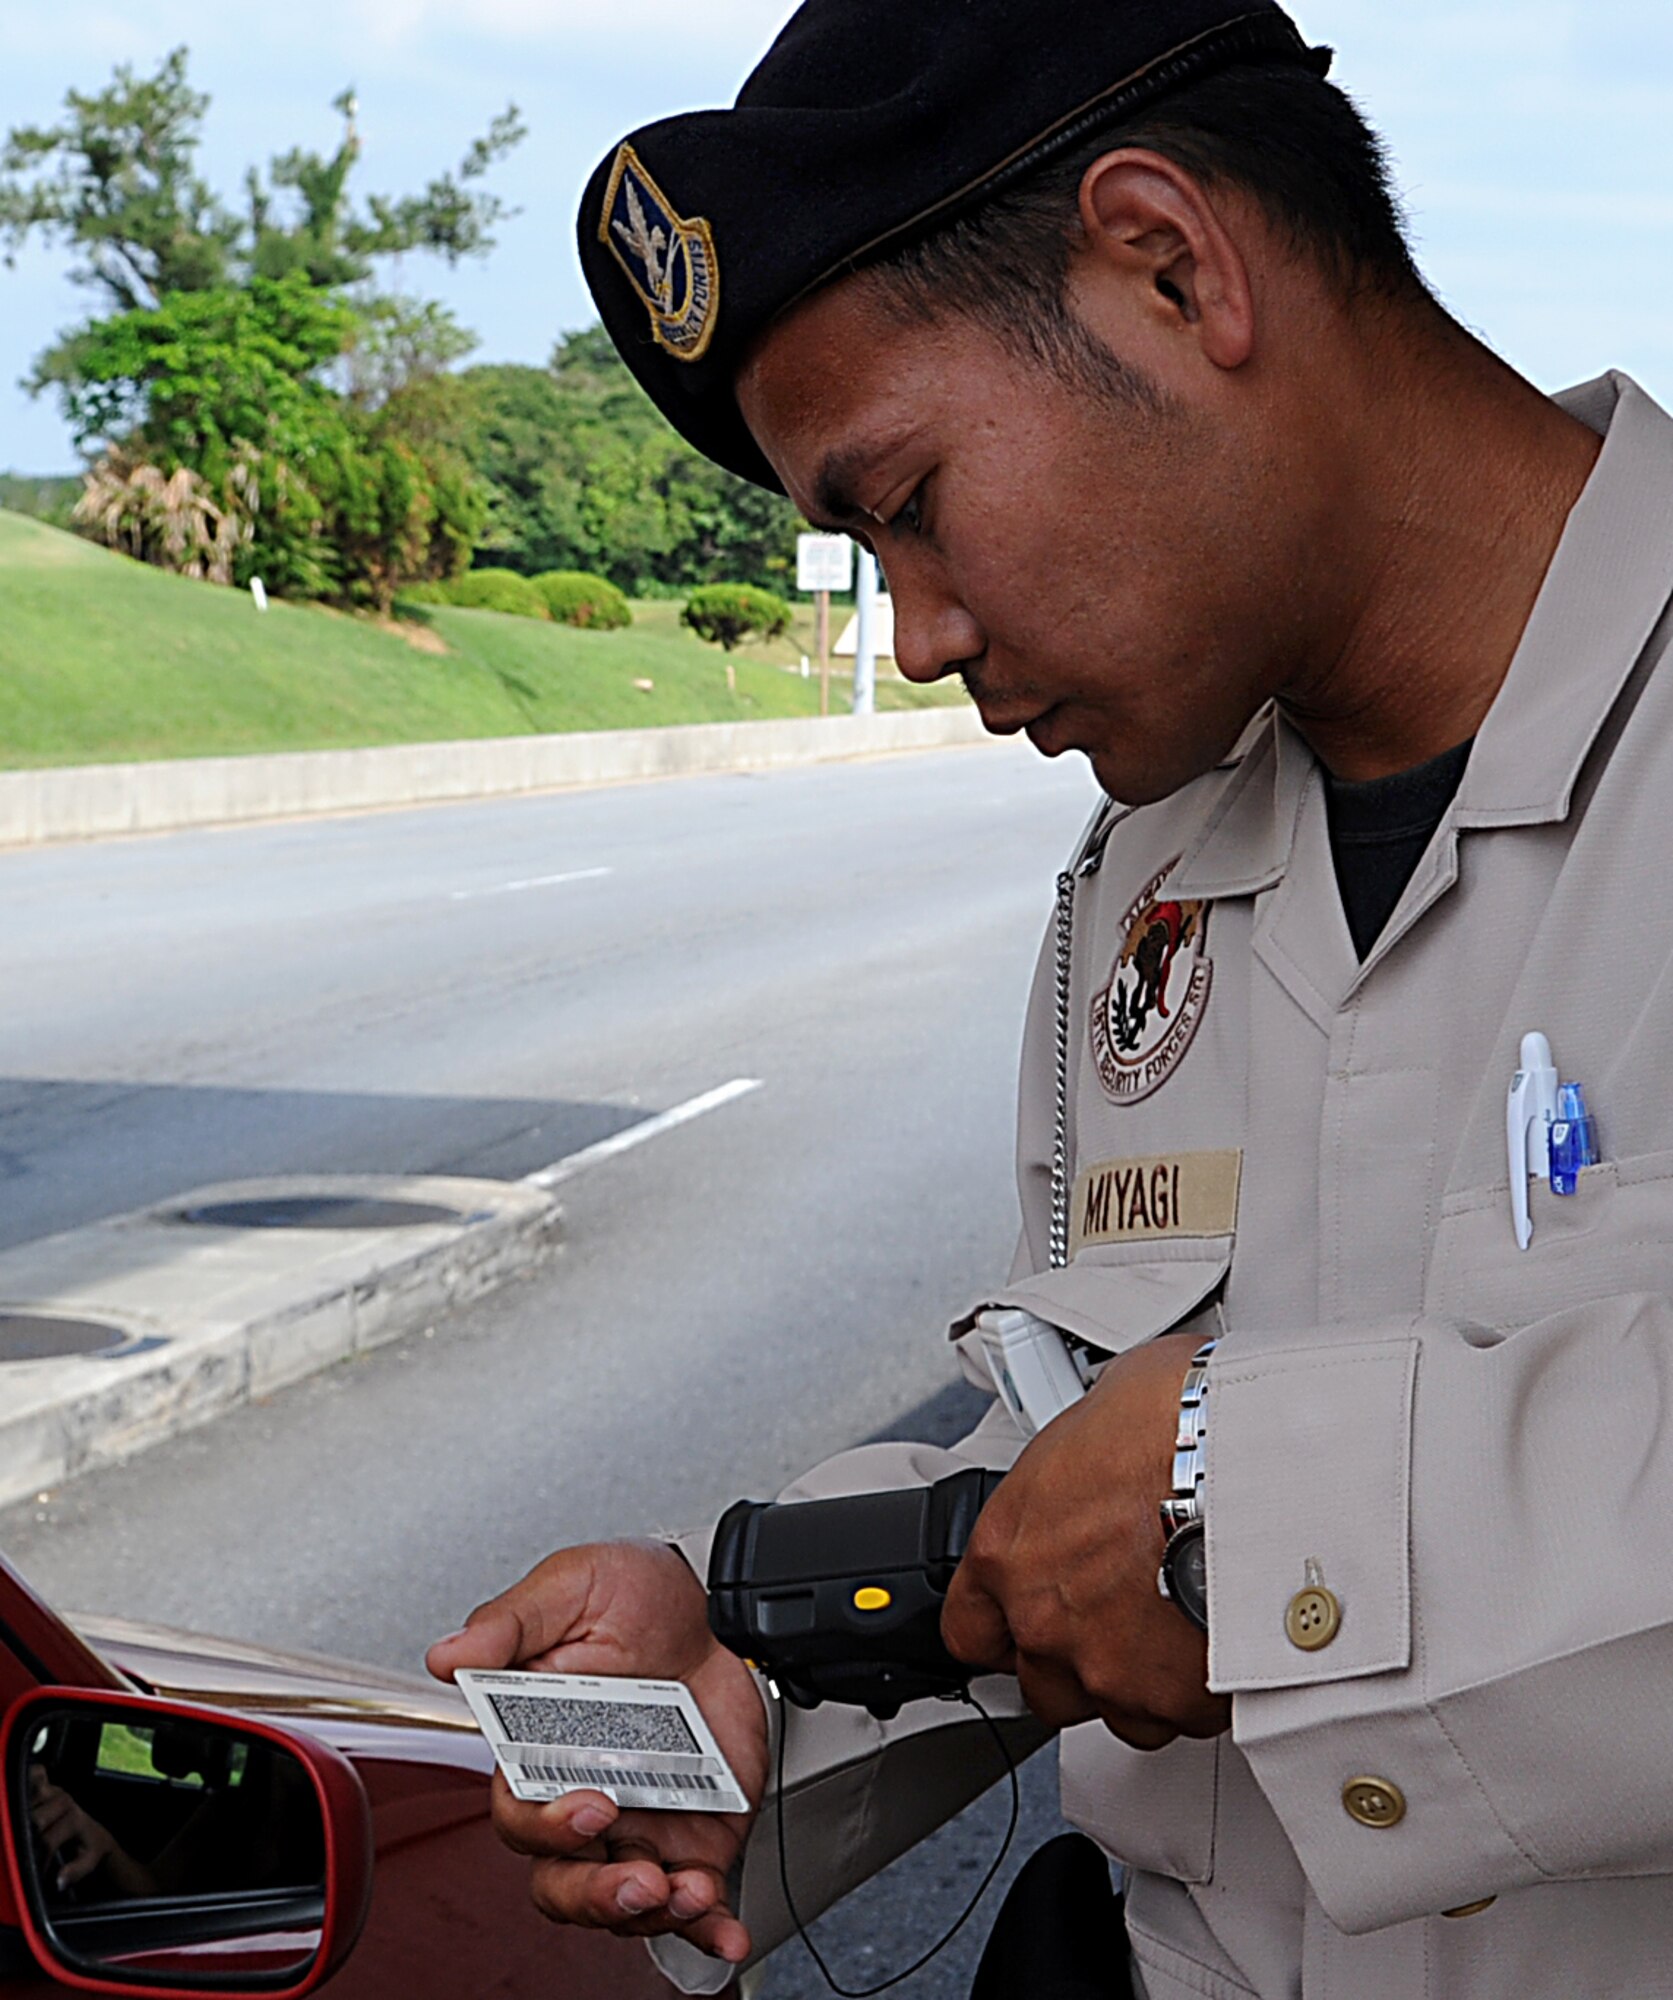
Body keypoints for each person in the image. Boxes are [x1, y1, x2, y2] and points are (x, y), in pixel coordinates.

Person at [428, 2, 1673, 1993]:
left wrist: (1219, 1510)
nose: (916, 636)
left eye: (905, 499)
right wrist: (774, 1688)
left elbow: (1214, 1508)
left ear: (1172, 265)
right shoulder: (1146, 887)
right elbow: (1092, 1498)